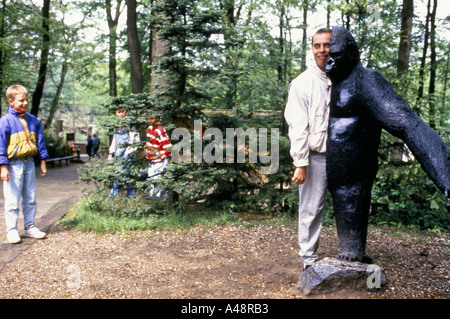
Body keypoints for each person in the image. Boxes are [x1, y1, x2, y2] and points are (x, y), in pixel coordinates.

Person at [325, 26, 449, 263]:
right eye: (329, 56)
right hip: (339, 169)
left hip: (356, 167)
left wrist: (445, 176)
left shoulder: (366, 80)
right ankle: (352, 251)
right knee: (344, 201)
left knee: (352, 196)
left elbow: (407, 124)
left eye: (337, 55)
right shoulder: (337, 81)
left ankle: (352, 254)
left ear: (352, 53)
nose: (330, 62)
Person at [284, 28, 332, 269]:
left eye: (327, 45)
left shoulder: (343, 79)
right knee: (311, 209)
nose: (322, 50)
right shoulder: (302, 83)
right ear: (312, 49)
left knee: (348, 205)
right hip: (315, 157)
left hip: (342, 156)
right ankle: (308, 260)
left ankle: (351, 253)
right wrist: (300, 163)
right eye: (317, 45)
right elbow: (297, 126)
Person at [0, 85, 49, 244]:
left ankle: (30, 227)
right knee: (12, 198)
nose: (25, 103)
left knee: (30, 197)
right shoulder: (5, 121)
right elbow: (0, 144)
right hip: (14, 165)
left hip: (29, 163)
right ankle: (12, 230)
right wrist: (2, 166)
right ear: (11, 101)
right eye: (21, 100)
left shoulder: (33, 120)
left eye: (27, 99)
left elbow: (40, 142)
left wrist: (42, 160)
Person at [108, 108, 140, 197]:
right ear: (116, 113)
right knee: (127, 174)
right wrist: (111, 152)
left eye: (123, 112)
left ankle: (113, 195)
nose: (121, 114)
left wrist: (128, 152)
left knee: (120, 173)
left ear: (126, 113)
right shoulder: (117, 125)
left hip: (128, 153)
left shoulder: (130, 124)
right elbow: (115, 139)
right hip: (119, 154)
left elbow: (135, 139)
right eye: (119, 112)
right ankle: (131, 194)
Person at [146, 116, 172, 198]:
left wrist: (164, 155)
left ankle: (160, 196)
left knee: (159, 177)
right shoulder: (149, 128)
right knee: (151, 176)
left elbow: (166, 144)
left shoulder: (160, 130)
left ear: (157, 119)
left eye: (152, 118)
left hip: (160, 158)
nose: (150, 120)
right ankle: (152, 194)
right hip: (151, 158)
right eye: (149, 118)